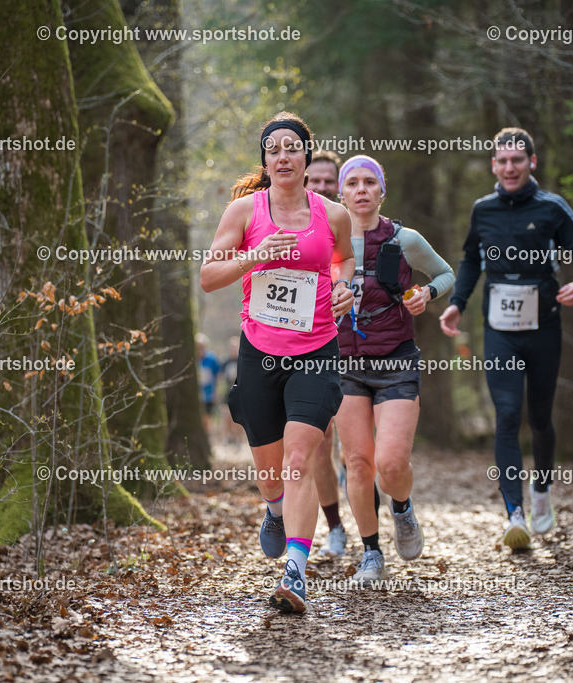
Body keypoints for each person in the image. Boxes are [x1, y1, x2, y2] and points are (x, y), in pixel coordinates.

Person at [200, 112, 354, 613]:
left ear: (307, 155)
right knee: (272, 477)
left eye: (292, 147)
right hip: (260, 352)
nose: (283, 156)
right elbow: (208, 276)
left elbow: (345, 260)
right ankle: (274, 511)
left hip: (316, 349)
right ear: (265, 160)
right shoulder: (244, 212)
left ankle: (295, 570)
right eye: (274, 149)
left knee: (298, 460)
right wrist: (256, 256)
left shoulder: (332, 215)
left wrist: (346, 286)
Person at [439, 127, 573, 550]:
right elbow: (472, 259)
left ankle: (542, 488)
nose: (510, 167)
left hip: (544, 326)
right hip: (499, 331)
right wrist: (458, 301)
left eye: (518, 160)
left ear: (532, 163)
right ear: (493, 165)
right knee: (508, 414)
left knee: (541, 418)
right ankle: (515, 513)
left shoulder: (551, 207)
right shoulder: (483, 210)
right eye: (502, 161)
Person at [333, 155, 455, 586]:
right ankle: (371, 553)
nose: (361, 189)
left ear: (382, 192)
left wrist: (426, 294)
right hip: (345, 364)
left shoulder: (404, 239)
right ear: (341, 192)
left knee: (390, 463)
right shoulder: (327, 238)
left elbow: (446, 274)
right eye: (353, 183)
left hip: (396, 361)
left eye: (370, 182)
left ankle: (401, 508)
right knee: (359, 463)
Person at [306, 149, 348, 559]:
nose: (320, 187)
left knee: (357, 444)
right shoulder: (295, 223)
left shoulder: (344, 222)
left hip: (358, 347)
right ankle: (335, 527)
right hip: (313, 342)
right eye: (314, 181)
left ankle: (370, 524)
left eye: (327, 181)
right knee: (320, 440)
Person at [195, 333, 221, 435]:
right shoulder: (193, 359)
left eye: (202, 346)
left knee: (207, 418)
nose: (200, 349)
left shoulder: (211, 359)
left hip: (209, 394)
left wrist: (216, 392)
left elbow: (218, 376)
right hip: (196, 395)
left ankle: (206, 436)